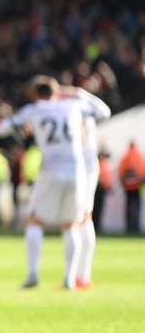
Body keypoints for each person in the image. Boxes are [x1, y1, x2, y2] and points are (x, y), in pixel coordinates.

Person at [0, 76, 110, 289]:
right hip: (77, 170)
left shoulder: (35, 109)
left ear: (36, 94)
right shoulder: (73, 105)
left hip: (50, 169)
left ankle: (32, 274)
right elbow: (104, 111)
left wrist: (20, 126)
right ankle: (70, 278)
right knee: (72, 224)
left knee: (34, 221)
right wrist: (79, 92)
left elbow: (1, 129)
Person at [74, 96, 111, 288]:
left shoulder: (78, 115)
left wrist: (80, 93)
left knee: (82, 219)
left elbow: (105, 111)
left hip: (83, 169)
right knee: (84, 219)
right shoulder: (86, 116)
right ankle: (81, 275)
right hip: (86, 168)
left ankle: (80, 276)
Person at [117, 141, 144, 233]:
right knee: (136, 206)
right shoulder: (139, 156)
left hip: (127, 186)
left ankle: (129, 226)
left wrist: (122, 181)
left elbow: (120, 171)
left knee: (128, 206)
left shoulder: (125, 156)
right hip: (137, 186)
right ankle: (135, 226)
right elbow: (142, 171)